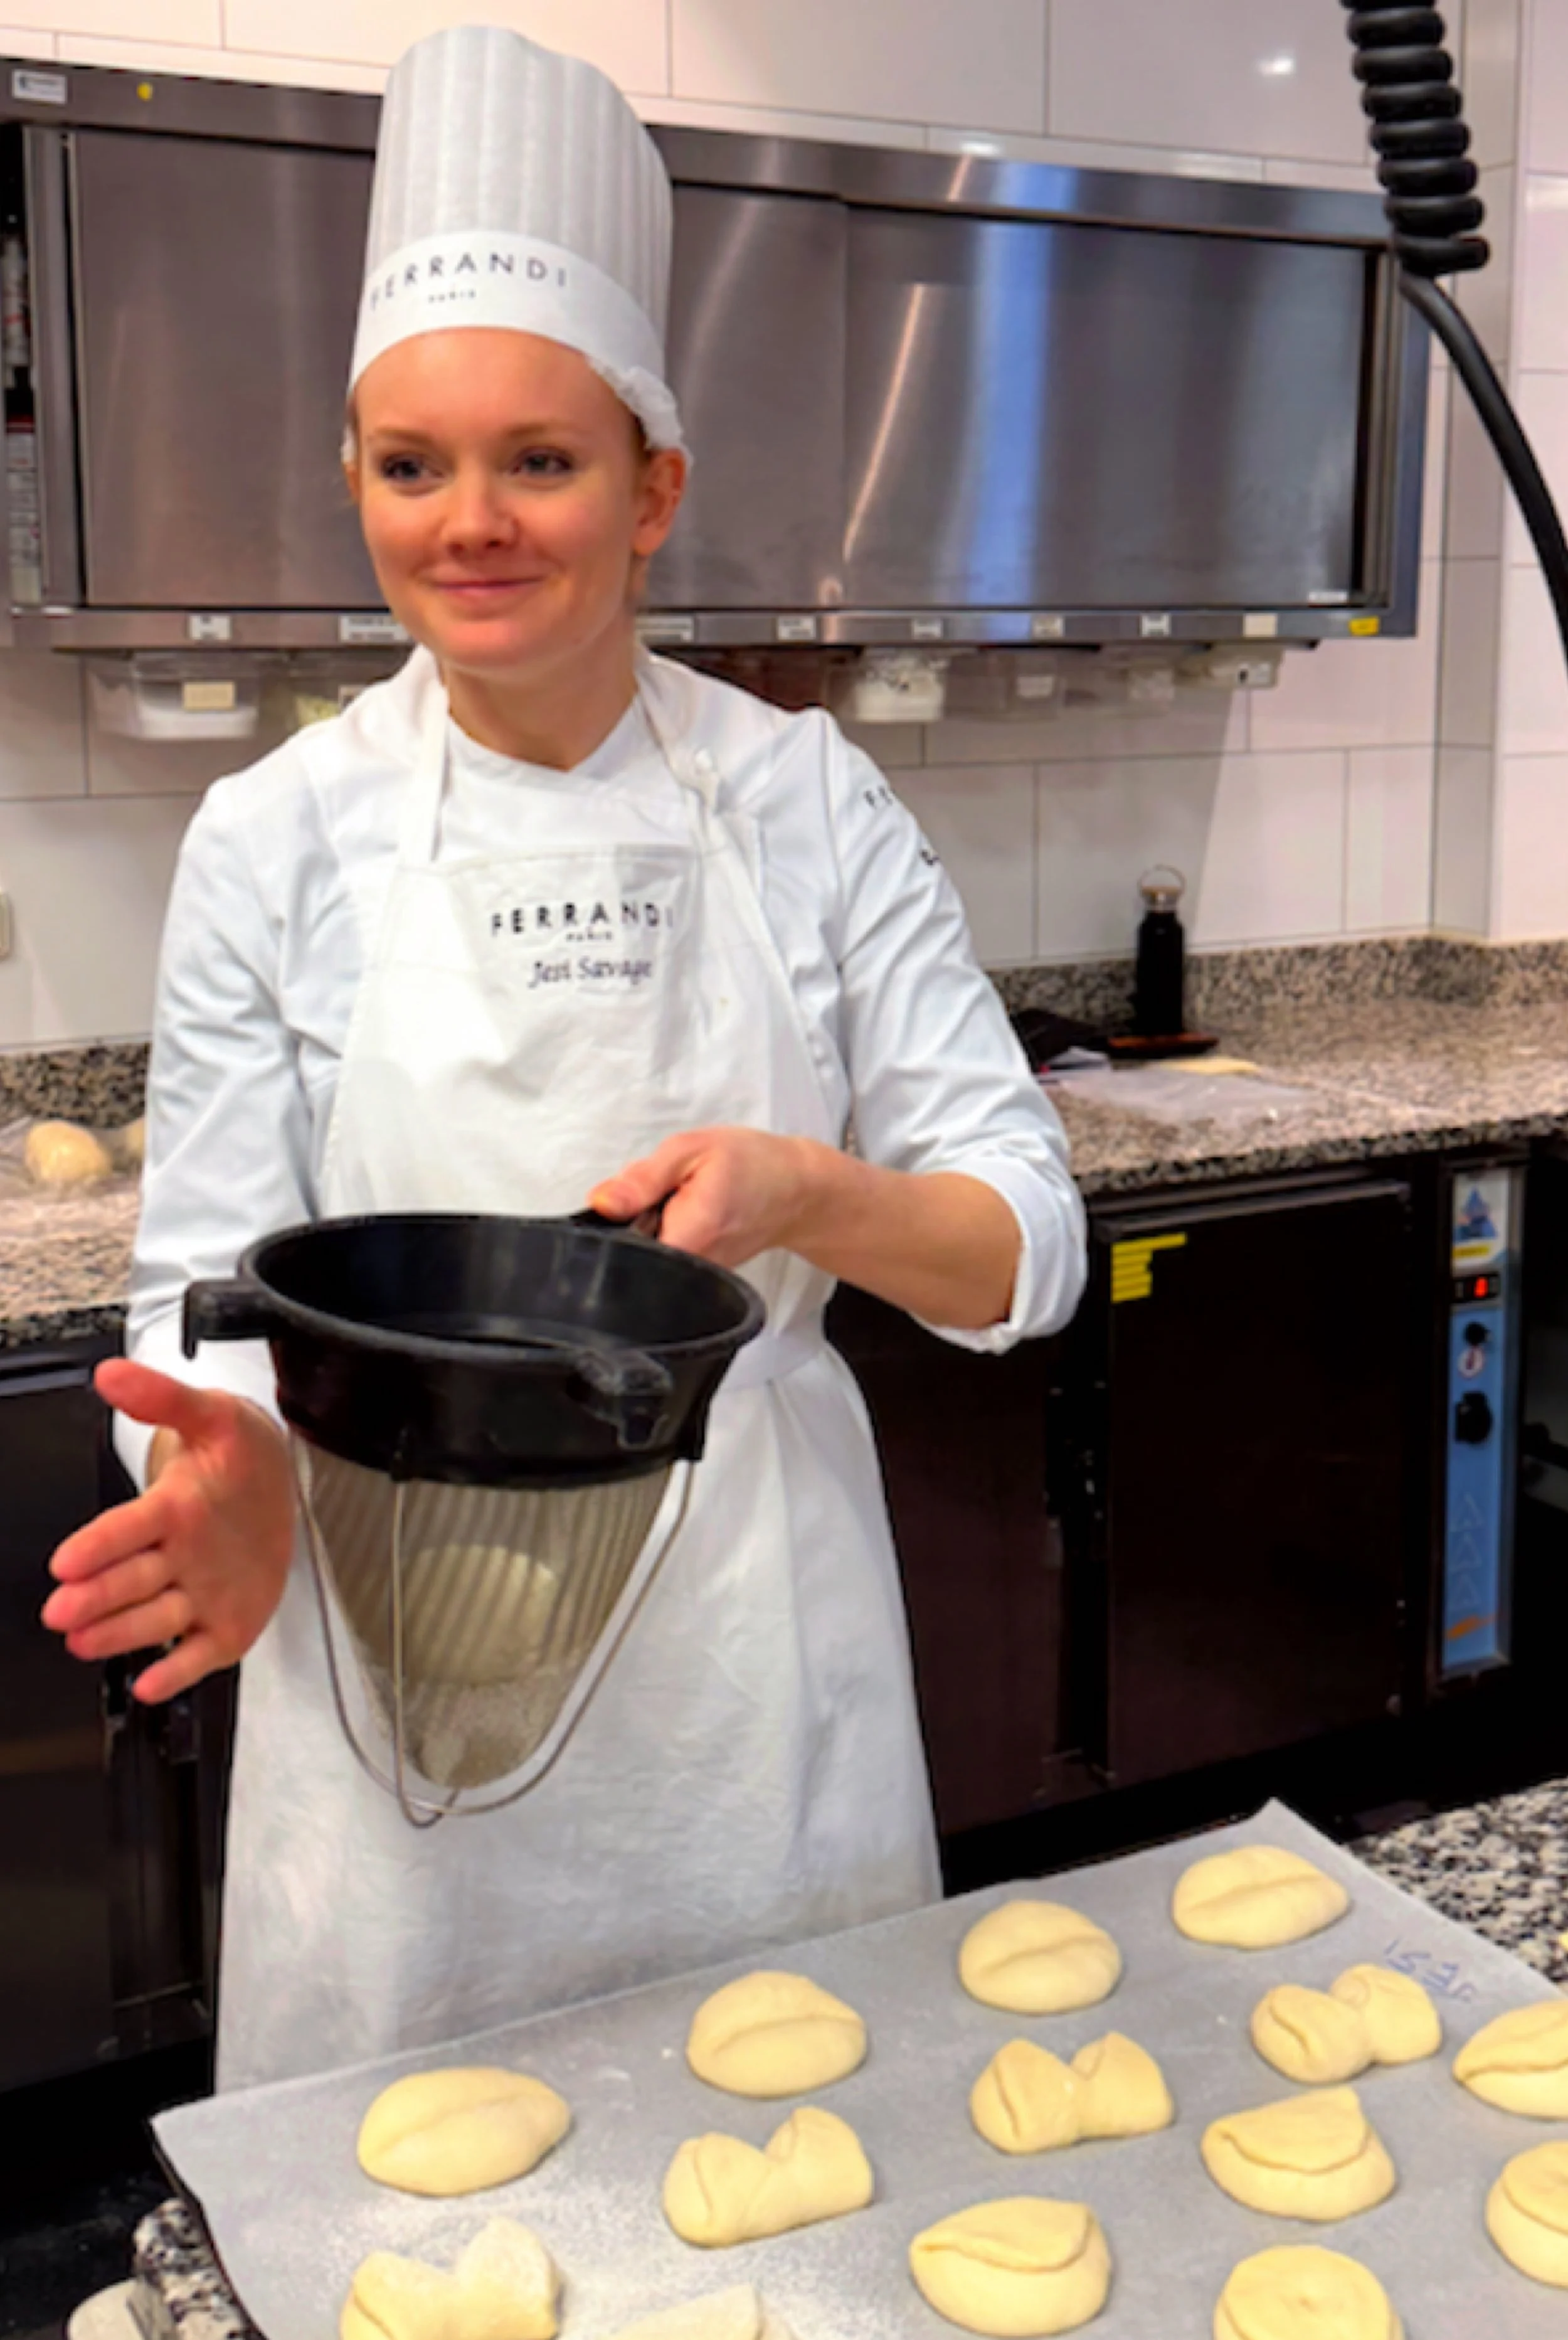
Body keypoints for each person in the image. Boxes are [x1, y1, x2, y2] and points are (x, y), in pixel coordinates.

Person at [42, 24, 1086, 2090]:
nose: (472, 523)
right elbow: (204, 1292)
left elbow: (1022, 1245)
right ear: (354, 479)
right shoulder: (277, 835)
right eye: (410, 465)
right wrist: (211, 1464)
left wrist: (807, 1194)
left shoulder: (804, 801)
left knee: (799, 2161)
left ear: (651, 485)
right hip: (395, 1646)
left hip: (747, 1670)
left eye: (540, 460)